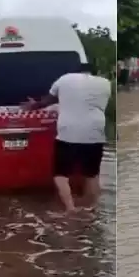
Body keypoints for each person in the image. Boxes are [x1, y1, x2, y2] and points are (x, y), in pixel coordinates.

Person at [20, 63, 111, 215]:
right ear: (95, 72)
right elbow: (87, 101)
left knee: (61, 174)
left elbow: (47, 101)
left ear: (75, 72)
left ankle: (70, 209)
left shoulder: (65, 79)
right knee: (92, 174)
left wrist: (33, 105)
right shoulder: (105, 83)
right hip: (95, 133)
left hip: (69, 133)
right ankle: (93, 209)